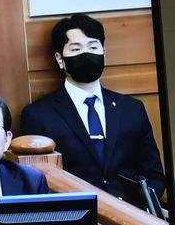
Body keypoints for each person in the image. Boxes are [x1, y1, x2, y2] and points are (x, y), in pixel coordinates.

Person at [20, 13, 165, 203]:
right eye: (76, 48)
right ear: (60, 59)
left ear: (104, 52)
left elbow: (153, 174)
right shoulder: (38, 115)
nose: (86, 53)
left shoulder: (132, 109)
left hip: (133, 217)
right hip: (76, 221)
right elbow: (34, 181)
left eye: (93, 46)